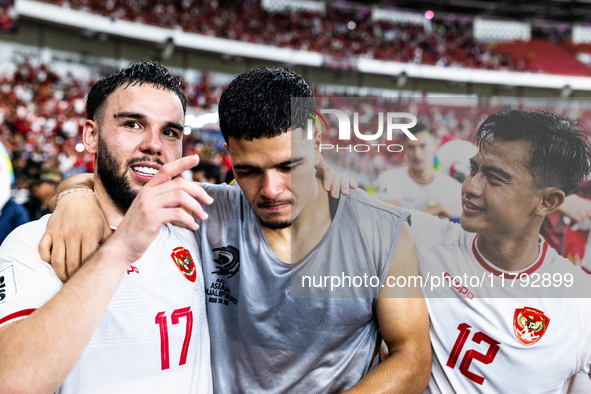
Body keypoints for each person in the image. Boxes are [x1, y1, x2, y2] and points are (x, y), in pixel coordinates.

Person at [39, 67, 431, 393]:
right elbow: (120, 185)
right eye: (248, 171)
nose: (271, 190)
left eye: (288, 166)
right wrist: (75, 196)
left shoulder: (381, 230)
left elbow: (411, 359)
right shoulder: (207, 210)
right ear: (229, 155)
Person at [0, 62, 213, 393]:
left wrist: (73, 191)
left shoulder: (200, 225)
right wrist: (119, 248)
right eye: (133, 124)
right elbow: (11, 381)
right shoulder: (36, 244)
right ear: (91, 135)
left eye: (170, 132)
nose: (154, 145)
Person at [411, 109, 591, 392]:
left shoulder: (580, 302)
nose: (470, 187)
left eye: (494, 178)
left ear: (547, 202)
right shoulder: (420, 240)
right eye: (473, 170)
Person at [375, 123, 462, 220]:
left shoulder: (454, 188)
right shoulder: (390, 178)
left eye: (423, 146)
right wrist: (436, 209)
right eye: (411, 147)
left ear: (435, 146)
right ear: (405, 149)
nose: (417, 154)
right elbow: (395, 219)